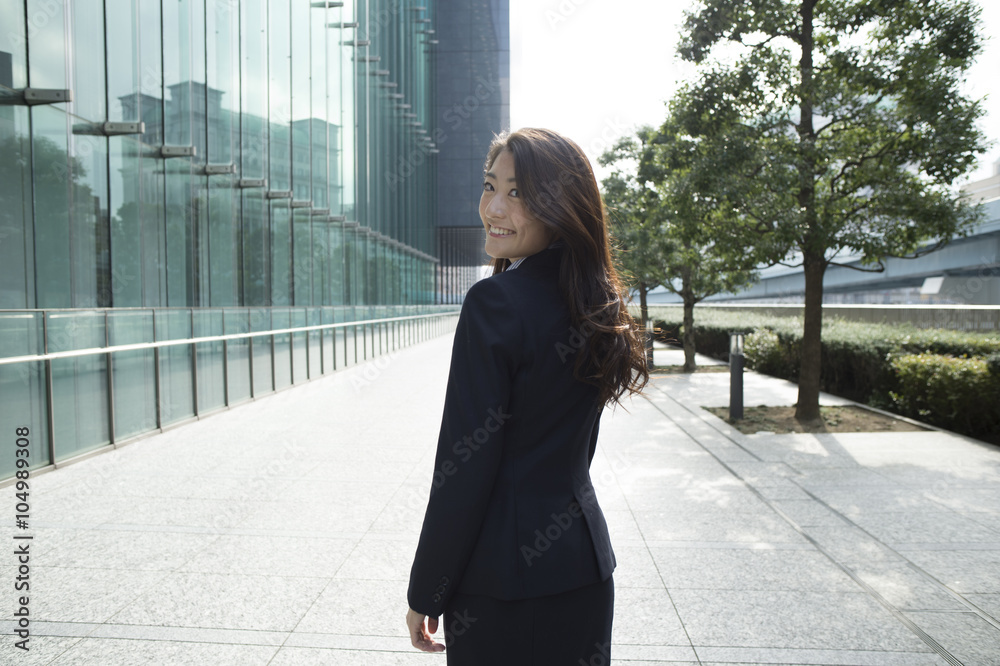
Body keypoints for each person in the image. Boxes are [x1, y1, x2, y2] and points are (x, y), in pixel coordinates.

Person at [405, 128, 648, 664]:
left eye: (517, 193)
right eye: (491, 186)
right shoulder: (595, 304)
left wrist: (427, 590)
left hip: (502, 588)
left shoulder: (495, 302)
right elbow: (573, 453)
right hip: (584, 570)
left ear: (560, 206)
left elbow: (464, 467)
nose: (492, 206)